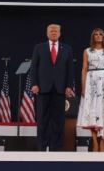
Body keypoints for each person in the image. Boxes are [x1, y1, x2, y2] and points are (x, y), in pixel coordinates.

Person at [30, 23, 75, 151]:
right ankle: (42, 147)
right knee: (42, 120)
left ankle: (56, 148)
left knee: (59, 121)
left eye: (56, 31)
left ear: (60, 33)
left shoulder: (67, 49)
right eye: (51, 31)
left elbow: (70, 69)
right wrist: (34, 84)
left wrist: (69, 86)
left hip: (60, 90)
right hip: (43, 89)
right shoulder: (39, 48)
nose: (54, 33)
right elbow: (34, 67)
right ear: (47, 33)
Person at [76, 28, 104, 151]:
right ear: (93, 37)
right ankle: (94, 141)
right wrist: (83, 86)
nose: (98, 36)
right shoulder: (87, 51)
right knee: (92, 112)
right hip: (91, 81)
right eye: (96, 34)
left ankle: (102, 142)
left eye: (100, 34)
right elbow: (84, 69)